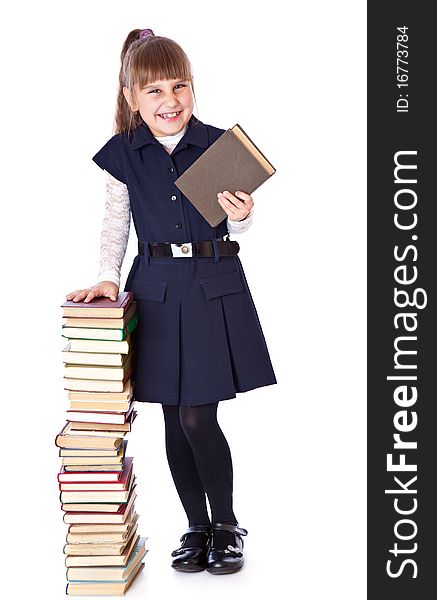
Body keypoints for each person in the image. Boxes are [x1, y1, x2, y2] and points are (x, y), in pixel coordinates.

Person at [65, 28, 277, 575]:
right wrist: (107, 279)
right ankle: (196, 528)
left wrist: (245, 211)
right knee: (169, 418)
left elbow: (239, 220)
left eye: (179, 86)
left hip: (211, 284)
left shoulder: (218, 146)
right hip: (156, 287)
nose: (170, 100)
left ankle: (226, 525)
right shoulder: (124, 155)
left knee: (198, 417)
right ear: (133, 98)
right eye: (154, 91)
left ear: (193, 89)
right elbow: (116, 221)